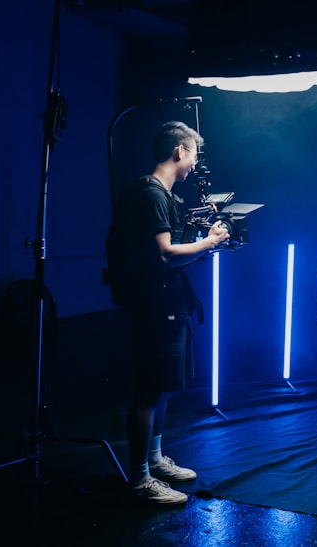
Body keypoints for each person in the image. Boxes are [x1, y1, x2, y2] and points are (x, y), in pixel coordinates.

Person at [111, 120, 230, 503]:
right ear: (180, 151)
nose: (195, 164)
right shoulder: (152, 196)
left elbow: (169, 256)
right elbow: (163, 254)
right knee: (149, 390)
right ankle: (140, 479)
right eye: (194, 154)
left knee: (162, 386)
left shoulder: (160, 195)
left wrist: (206, 245)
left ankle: (155, 460)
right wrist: (209, 241)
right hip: (154, 306)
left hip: (168, 302)